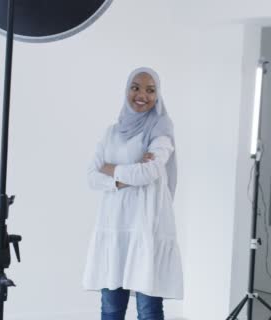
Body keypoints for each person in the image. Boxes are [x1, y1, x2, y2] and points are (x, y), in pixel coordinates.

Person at [83, 67, 183, 320]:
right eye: (136, 87)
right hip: (114, 226)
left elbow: (149, 172)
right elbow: (92, 177)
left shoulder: (161, 129)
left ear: (158, 95)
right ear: (127, 90)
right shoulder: (111, 132)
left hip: (146, 227)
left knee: (148, 310)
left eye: (151, 90)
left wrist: (111, 170)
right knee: (111, 308)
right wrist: (125, 176)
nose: (142, 95)